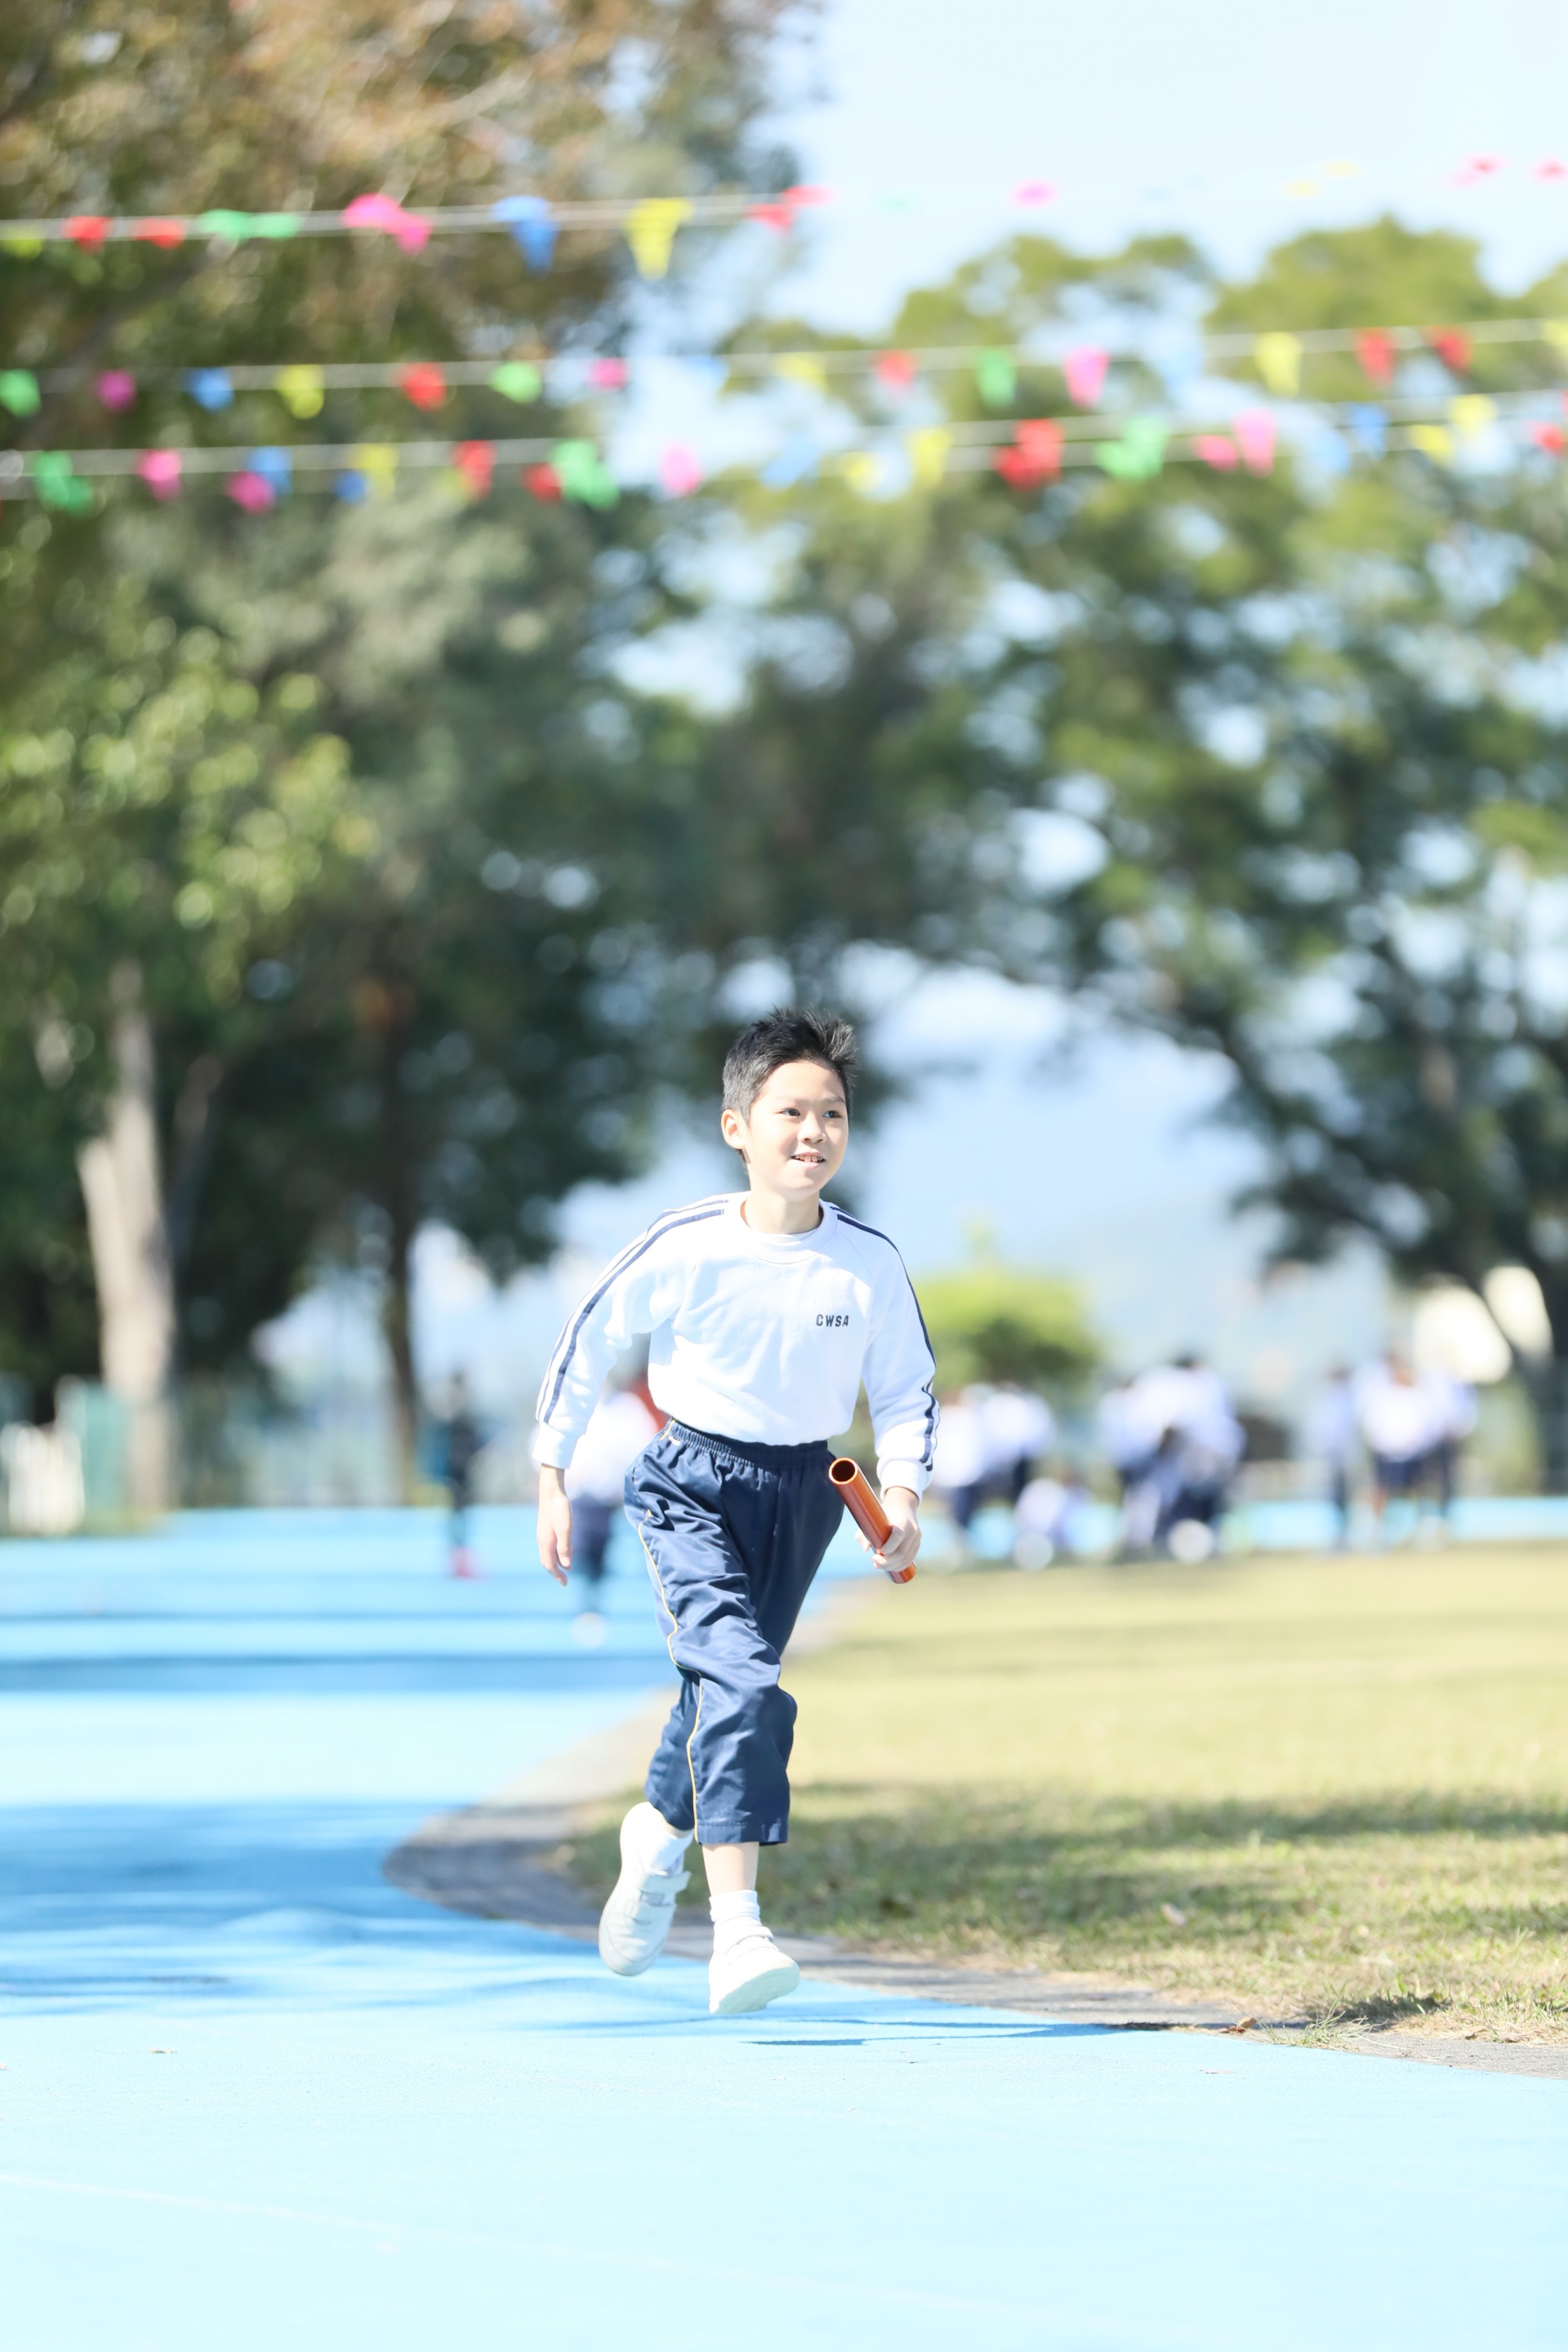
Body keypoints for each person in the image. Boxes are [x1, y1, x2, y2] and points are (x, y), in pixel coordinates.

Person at [532, 1010, 935, 2018]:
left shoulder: (868, 1262)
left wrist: (903, 1497)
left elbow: (906, 1392)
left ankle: (657, 1835)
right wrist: (551, 1469)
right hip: (690, 1485)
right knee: (744, 1684)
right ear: (735, 1127)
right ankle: (737, 1931)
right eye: (790, 1111)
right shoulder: (687, 1245)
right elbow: (588, 1340)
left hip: (805, 1495)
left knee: (719, 1692)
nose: (813, 1132)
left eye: (831, 1113)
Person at [562, 1373, 662, 1644]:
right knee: (585, 1555)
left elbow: (644, 1444)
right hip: (582, 1498)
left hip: (616, 1495)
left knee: (622, 1551)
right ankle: (587, 1609)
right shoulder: (571, 1405)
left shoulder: (627, 1409)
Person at [1354, 1351, 1438, 1535]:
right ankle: (1376, 1528)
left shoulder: (1418, 1396)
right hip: (1386, 1451)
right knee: (1381, 1489)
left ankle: (1423, 1527)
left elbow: (1427, 1425)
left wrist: (1413, 1443)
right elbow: (1372, 1422)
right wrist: (1383, 1443)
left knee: (1419, 1490)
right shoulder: (1382, 1395)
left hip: (1414, 1452)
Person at [434, 1373, 483, 1578]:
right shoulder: (448, 1423)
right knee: (456, 1523)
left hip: (462, 1479)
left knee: (460, 1523)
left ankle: (461, 1562)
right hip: (453, 1479)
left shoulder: (464, 1422)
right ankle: (457, 1562)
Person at [1305, 1365, 1358, 1548]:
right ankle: (1338, 1534)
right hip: (1333, 1456)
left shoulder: (1346, 1396)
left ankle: (1344, 1534)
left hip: (1343, 1456)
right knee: (1335, 1496)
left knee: (1344, 1496)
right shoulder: (1330, 1397)